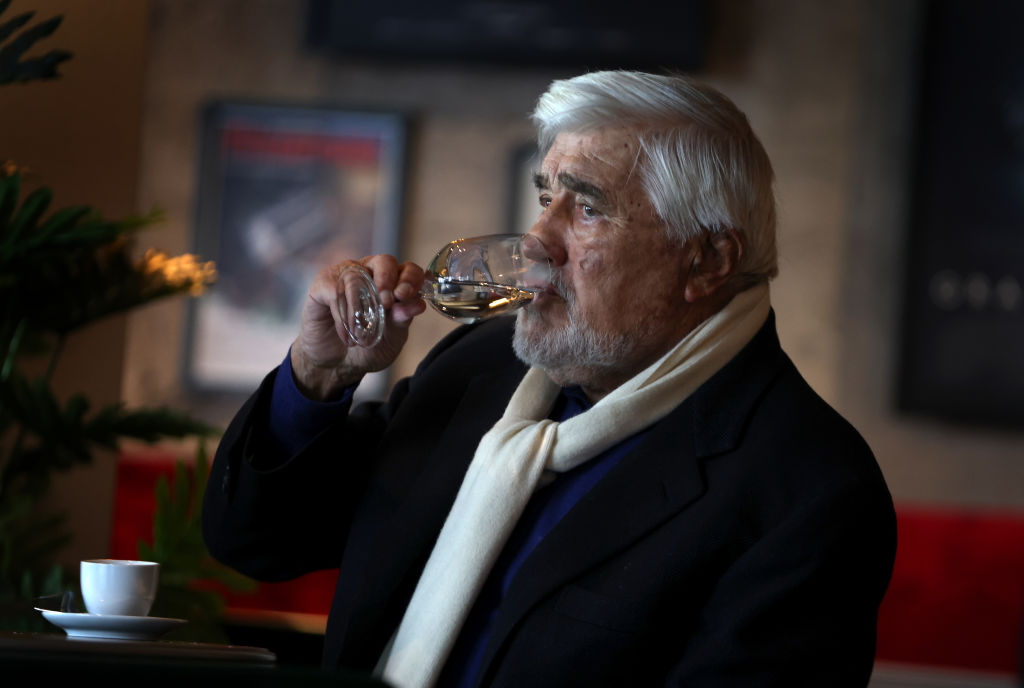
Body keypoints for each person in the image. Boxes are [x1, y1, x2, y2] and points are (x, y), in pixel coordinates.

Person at [202, 70, 897, 688]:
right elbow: (255, 543)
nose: (537, 239)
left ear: (707, 261)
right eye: (546, 196)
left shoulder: (808, 490)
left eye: (587, 207)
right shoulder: (478, 367)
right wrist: (319, 374)